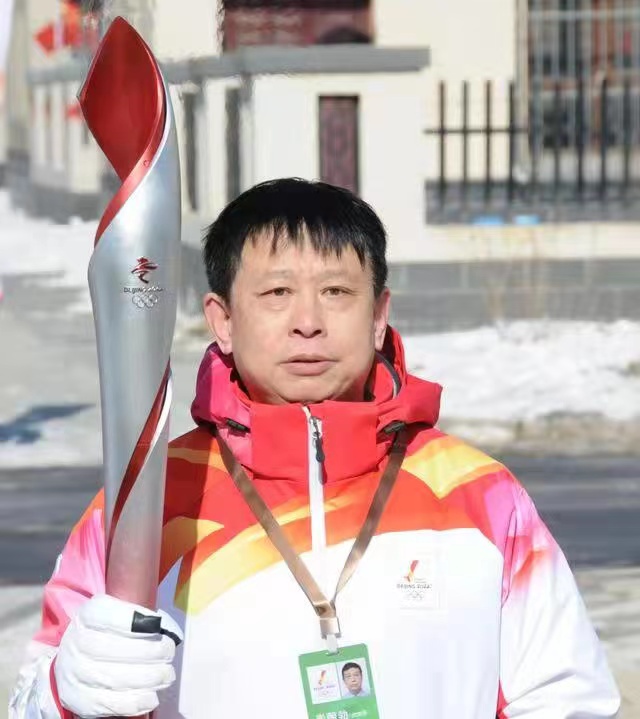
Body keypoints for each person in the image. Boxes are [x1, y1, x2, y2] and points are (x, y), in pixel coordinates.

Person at [10, 179, 619, 719]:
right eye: (276, 292)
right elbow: (31, 702)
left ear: (378, 315)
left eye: (336, 291)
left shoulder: (478, 497)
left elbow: (565, 698)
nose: (308, 321)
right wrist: (66, 691)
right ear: (222, 320)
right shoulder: (148, 505)